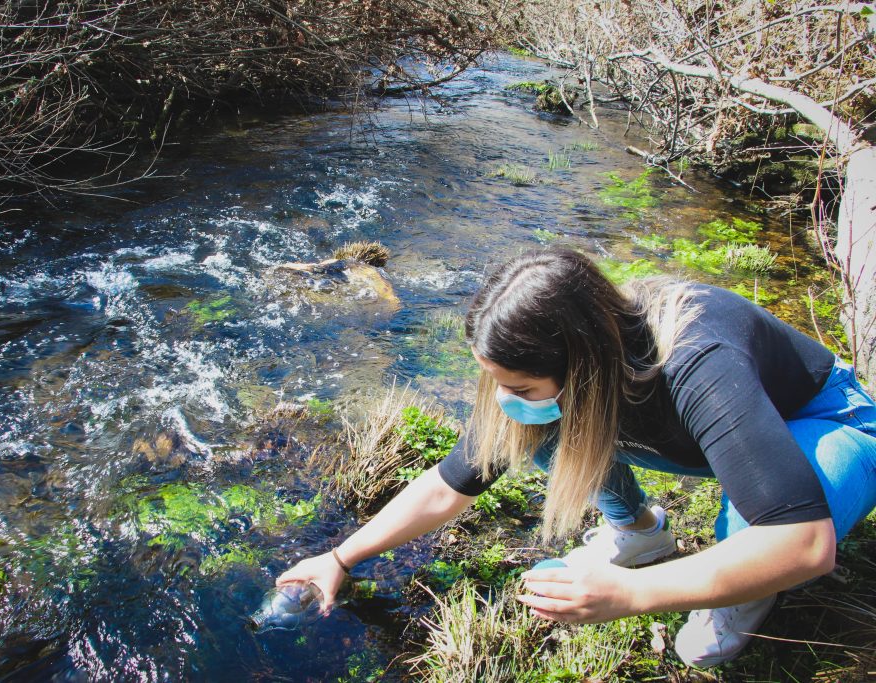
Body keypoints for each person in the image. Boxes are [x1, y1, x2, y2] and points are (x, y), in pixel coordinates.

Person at [277, 246, 876, 667]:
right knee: (528, 433)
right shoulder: (575, 368)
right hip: (709, 439)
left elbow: (804, 543)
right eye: (498, 383)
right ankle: (639, 534)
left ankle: (742, 594)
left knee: (754, 530)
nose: (505, 402)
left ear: (585, 364)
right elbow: (446, 485)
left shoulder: (698, 361)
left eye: (522, 388)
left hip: (826, 421)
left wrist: (629, 596)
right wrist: (340, 556)